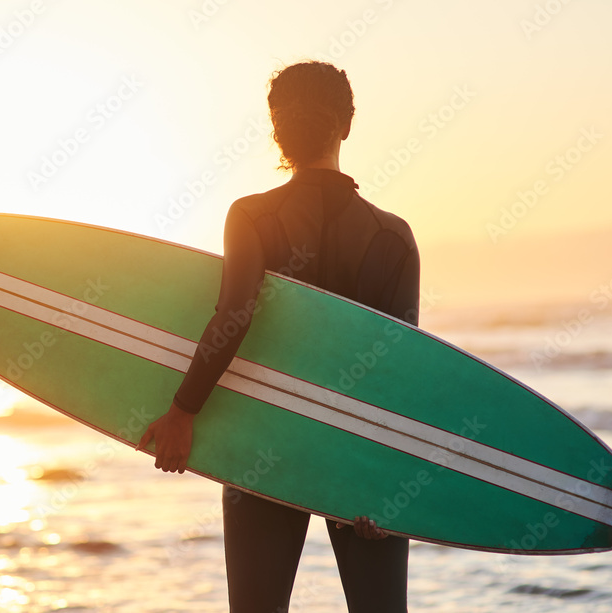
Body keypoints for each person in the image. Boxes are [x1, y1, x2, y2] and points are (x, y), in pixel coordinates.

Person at [136, 61, 418, 612]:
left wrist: (182, 412)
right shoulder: (393, 237)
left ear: (275, 128)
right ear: (348, 124)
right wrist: (390, 483)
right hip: (359, 459)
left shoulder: (253, 216)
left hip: (264, 450)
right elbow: (401, 371)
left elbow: (233, 317)